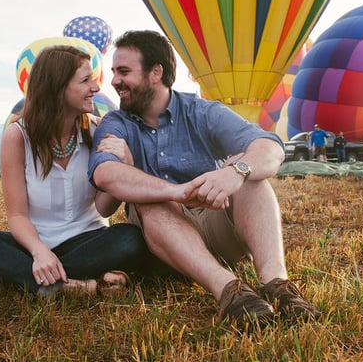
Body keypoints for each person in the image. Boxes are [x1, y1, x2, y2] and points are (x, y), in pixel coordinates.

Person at [89, 30, 320, 324]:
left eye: (123, 71)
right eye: (114, 72)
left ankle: (279, 286)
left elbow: (271, 148)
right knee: (151, 200)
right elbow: (105, 173)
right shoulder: (116, 122)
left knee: (249, 173)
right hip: (165, 240)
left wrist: (237, 172)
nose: (114, 81)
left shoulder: (201, 111)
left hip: (214, 217)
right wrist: (177, 191)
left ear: (156, 73)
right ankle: (229, 290)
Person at [0, 45, 156, 297]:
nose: (96, 88)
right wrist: (39, 251)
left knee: (131, 239)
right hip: (33, 244)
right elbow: (17, 216)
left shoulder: (97, 131)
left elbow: (104, 208)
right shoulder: (17, 137)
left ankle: (19, 281)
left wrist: (125, 169)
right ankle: (74, 286)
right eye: (85, 80)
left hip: (88, 240)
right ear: (58, 88)